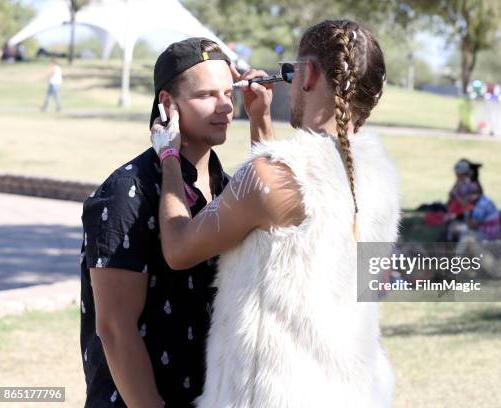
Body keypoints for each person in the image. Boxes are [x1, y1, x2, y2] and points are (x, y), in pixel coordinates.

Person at [153, 19, 398, 407]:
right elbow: (276, 224)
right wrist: (261, 122)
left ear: (309, 75)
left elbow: (179, 247)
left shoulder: (275, 176)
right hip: (353, 391)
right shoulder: (379, 176)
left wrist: (168, 152)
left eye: (292, 71)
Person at [80, 37, 273, 407]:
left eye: (228, 93)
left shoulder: (227, 187)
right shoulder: (128, 190)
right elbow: (115, 328)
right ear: (168, 104)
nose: (225, 107)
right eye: (205, 96)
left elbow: (270, 211)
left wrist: (260, 118)